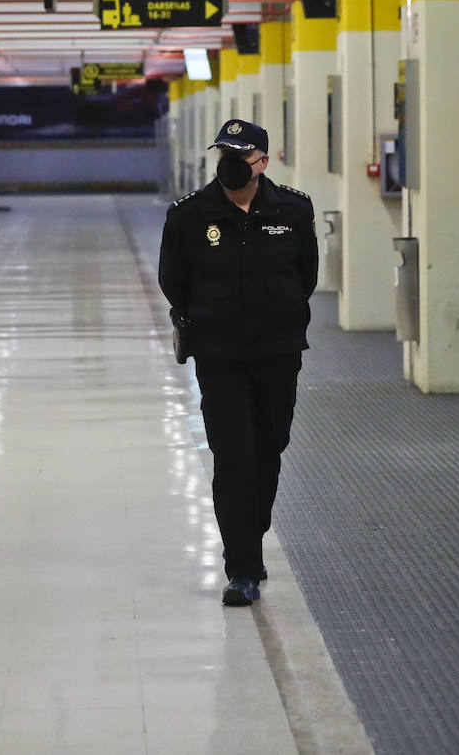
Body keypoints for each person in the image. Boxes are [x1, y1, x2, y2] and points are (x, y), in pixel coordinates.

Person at [157, 119, 317, 607]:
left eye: (241, 154)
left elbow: (306, 275)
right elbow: (172, 280)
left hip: (278, 352)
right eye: (223, 152)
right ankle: (241, 567)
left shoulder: (293, 209)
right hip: (220, 355)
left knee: (270, 448)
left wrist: (281, 315)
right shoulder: (188, 215)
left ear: (262, 162)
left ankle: (251, 528)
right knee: (234, 456)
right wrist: (205, 322)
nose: (229, 162)